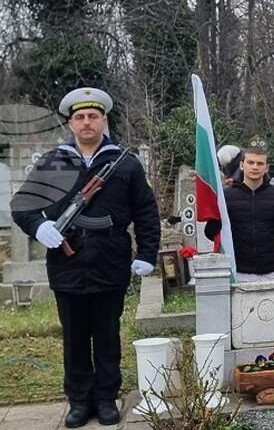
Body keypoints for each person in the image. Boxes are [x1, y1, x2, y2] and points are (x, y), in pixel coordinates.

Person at [10, 88, 160, 428]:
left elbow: (146, 212)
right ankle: (79, 401)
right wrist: (40, 227)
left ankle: (106, 398)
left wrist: (147, 253)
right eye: (80, 117)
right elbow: (22, 206)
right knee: (75, 338)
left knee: (107, 335)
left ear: (104, 120)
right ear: (71, 123)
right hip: (67, 265)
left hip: (110, 263)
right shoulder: (54, 162)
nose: (87, 122)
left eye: (93, 116)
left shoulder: (125, 163)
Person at [205, 146, 274, 281]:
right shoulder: (225, 197)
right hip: (238, 272)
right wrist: (214, 225)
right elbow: (212, 234)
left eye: (260, 163)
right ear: (242, 165)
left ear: (266, 168)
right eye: (250, 162)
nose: (255, 167)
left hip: (272, 272)